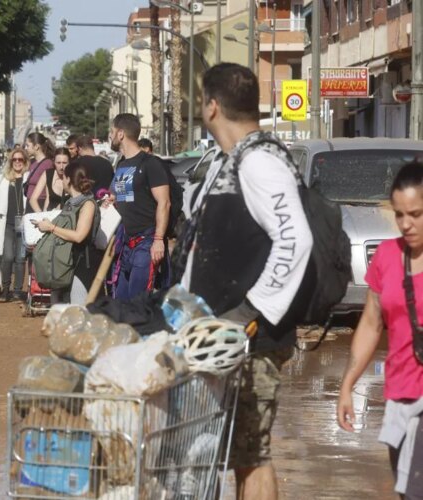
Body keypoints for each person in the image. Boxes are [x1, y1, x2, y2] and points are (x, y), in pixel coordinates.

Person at [175, 63, 313, 500]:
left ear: (212, 106)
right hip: (221, 341)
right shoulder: (232, 159)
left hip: (248, 341)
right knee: (229, 454)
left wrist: (247, 314)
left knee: (250, 456)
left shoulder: (259, 161)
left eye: (202, 101)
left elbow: (296, 239)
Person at [337, 162, 423, 498]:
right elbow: (371, 324)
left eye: (416, 214)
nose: (406, 224)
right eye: (400, 214)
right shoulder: (387, 256)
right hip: (400, 397)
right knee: (406, 490)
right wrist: (347, 385)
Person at [108, 113, 171, 300]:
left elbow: (164, 202)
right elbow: (121, 197)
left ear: (120, 134)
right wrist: (111, 200)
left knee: (138, 302)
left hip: (146, 242)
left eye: (112, 132)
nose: (110, 136)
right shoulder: (122, 164)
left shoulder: (150, 163)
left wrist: (158, 240)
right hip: (125, 243)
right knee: (120, 301)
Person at [34, 160, 99, 305]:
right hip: (64, 263)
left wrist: (51, 227)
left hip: (81, 264)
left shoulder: (88, 204)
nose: (61, 180)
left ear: (68, 179)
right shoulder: (70, 202)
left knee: (76, 310)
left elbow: (79, 236)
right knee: (59, 309)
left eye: (63, 177)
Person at [0, 149, 29, 303]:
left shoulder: (29, 178)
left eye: (20, 159)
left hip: (24, 224)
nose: (17, 162)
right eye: (14, 160)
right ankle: (5, 288)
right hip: (6, 223)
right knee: (7, 257)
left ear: (25, 161)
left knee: (20, 258)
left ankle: (17, 291)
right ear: (10, 161)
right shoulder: (4, 179)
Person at [29, 147, 70, 212]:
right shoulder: (48, 174)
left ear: (69, 162)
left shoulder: (73, 176)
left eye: (64, 163)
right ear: (54, 162)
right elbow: (33, 199)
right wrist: (41, 215)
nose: (61, 167)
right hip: (50, 216)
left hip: (67, 217)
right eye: (58, 163)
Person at [23, 132, 55, 213]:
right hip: (30, 203)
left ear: (36, 146)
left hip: (39, 203)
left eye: (28, 145)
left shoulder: (48, 164)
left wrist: (40, 214)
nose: (26, 148)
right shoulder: (33, 163)